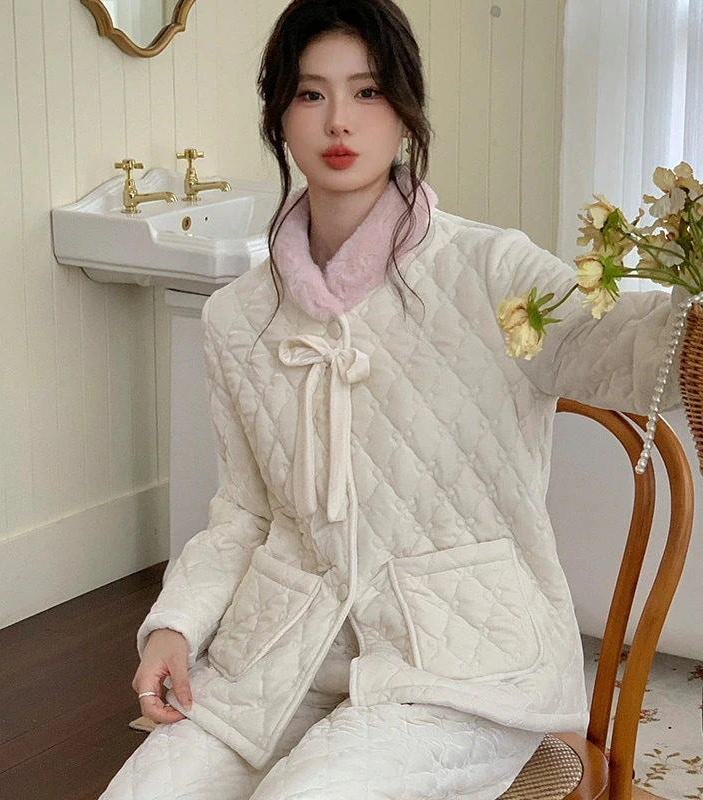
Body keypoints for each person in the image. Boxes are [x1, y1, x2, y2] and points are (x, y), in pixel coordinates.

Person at [100, 1, 684, 798]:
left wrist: (688, 307)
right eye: (311, 94)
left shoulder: (492, 271)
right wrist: (175, 624)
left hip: (460, 662)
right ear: (279, 117)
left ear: (405, 111)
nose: (339, 120)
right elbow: (243, 512)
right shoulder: (237, 317)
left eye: (367, 92)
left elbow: (620, 347)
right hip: (287, 651)